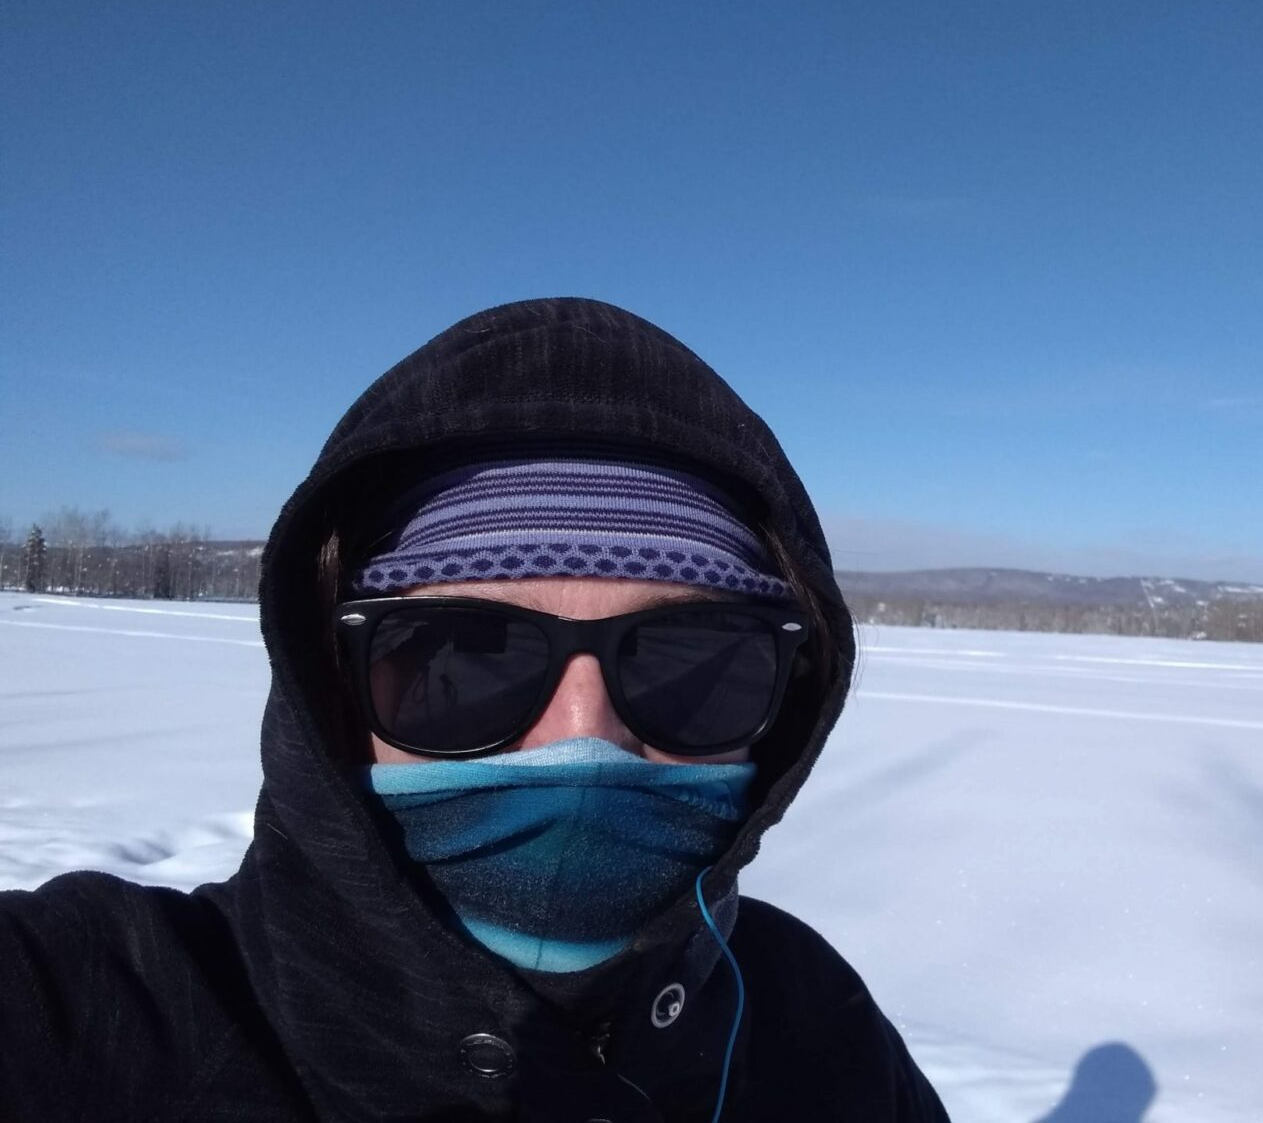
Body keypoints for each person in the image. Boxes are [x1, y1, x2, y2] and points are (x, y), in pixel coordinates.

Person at [0, 298, 950, 1121]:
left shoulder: (815, 1026)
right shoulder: (93, 1008)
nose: (585, 738)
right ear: (329, 692)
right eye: (460, 658)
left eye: (691, 663)